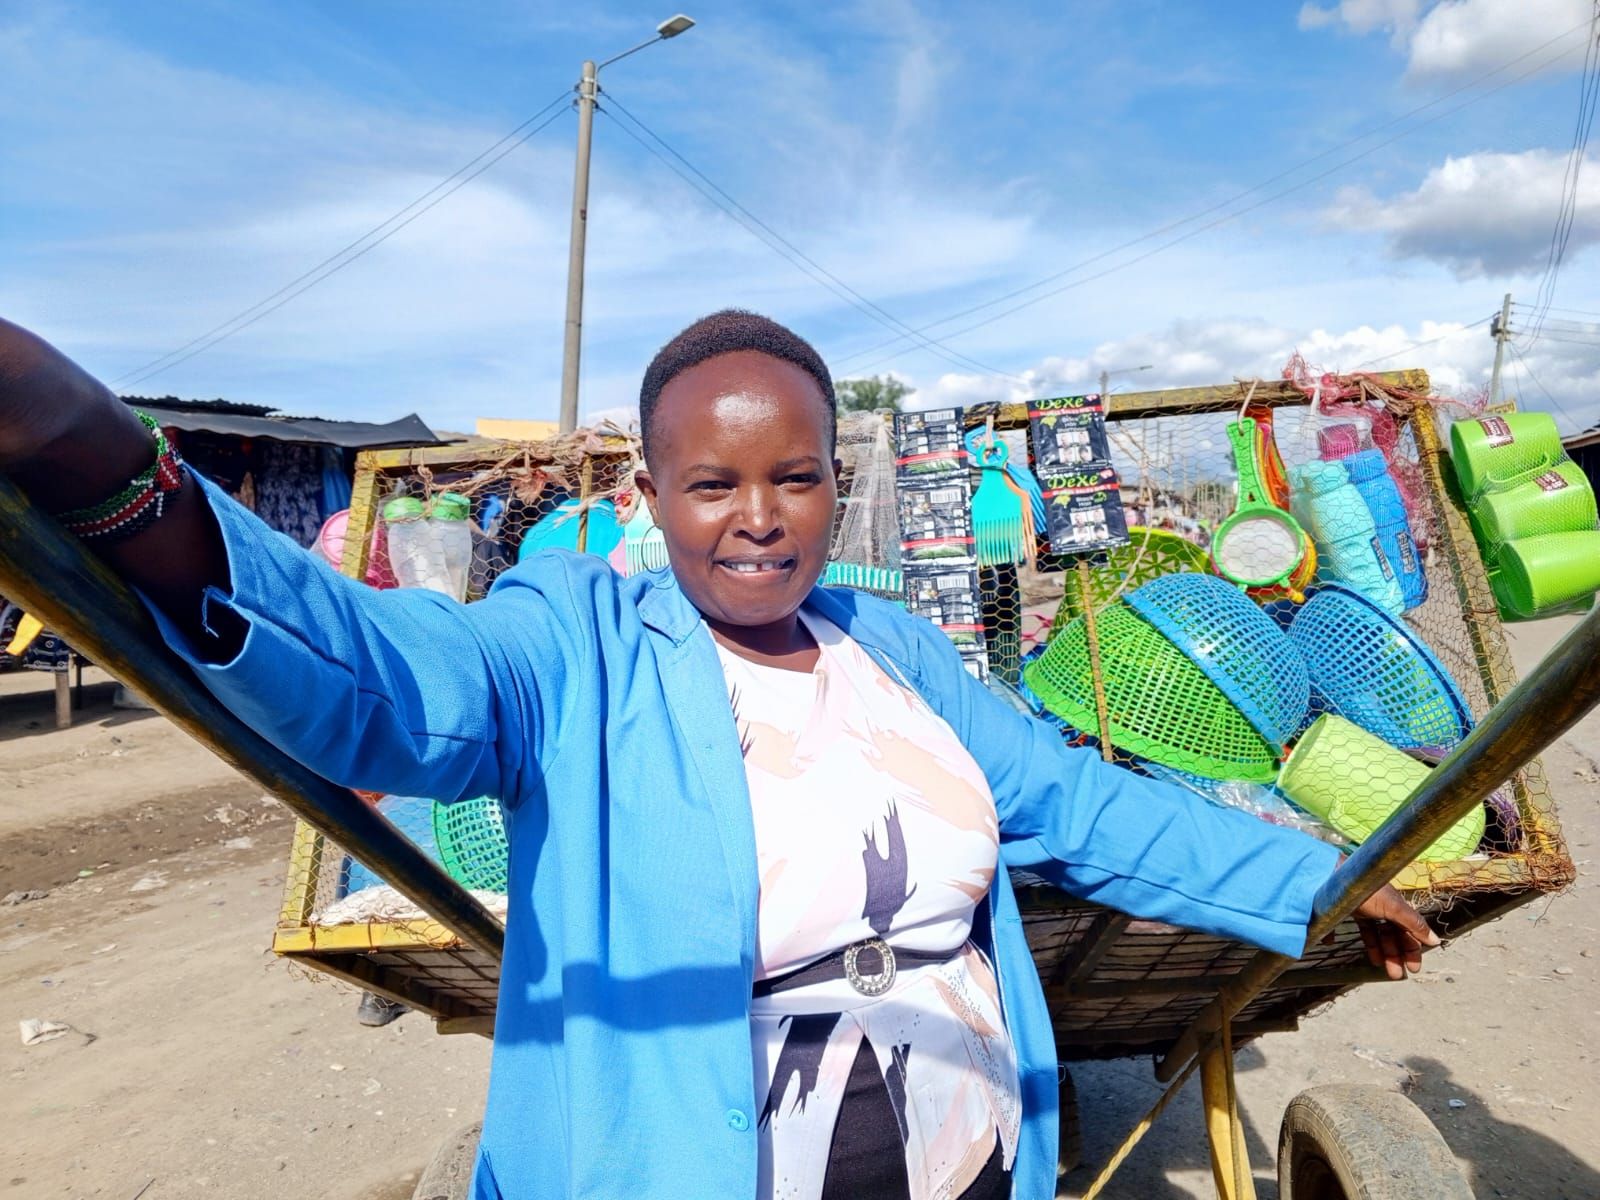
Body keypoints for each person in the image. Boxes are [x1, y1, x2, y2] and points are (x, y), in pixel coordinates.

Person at [0, 311, 1436, 1200]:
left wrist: (1318, 878)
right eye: (714, 481)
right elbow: (383, 683)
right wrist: (99, 460)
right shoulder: (576, 642)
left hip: (969, 1153)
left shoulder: (898, 648)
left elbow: (1070, 801)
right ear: (649, 494)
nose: (759, 515)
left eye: (795, 475)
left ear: (836, 481)